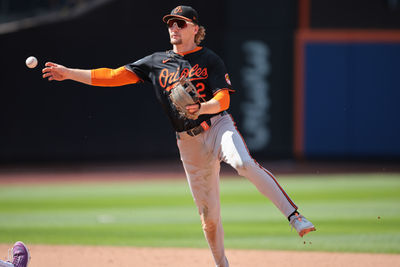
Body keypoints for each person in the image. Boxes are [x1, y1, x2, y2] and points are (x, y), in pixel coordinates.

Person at [42, 5, 315, 267]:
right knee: (208, 218)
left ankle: (294, 216)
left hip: (218, 126)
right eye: (171, 23)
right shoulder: (155, 62)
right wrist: (69, 73)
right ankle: (222, 265)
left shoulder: (209, 59)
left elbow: (223, 100)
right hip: (189, 143)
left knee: (243, 164)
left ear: (195, 28)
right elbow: (113, 76)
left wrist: (201, 108)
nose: (174, 27)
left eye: (180, 23)